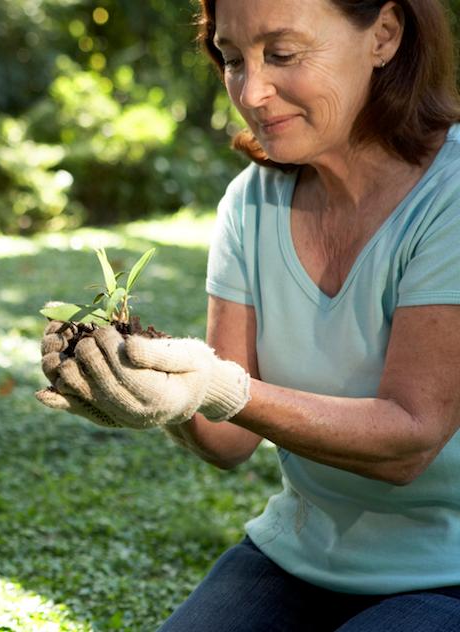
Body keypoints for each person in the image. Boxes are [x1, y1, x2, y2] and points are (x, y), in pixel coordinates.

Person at [34, 0, 460, 629]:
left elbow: (409, 441)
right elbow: (230, 439)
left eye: (282, 54)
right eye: (232, 59)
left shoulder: (449, 195)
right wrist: (154, 394)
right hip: (298, 554)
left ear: (384, 35)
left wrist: (218, 387)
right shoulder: (250, 204)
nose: (252, 91)